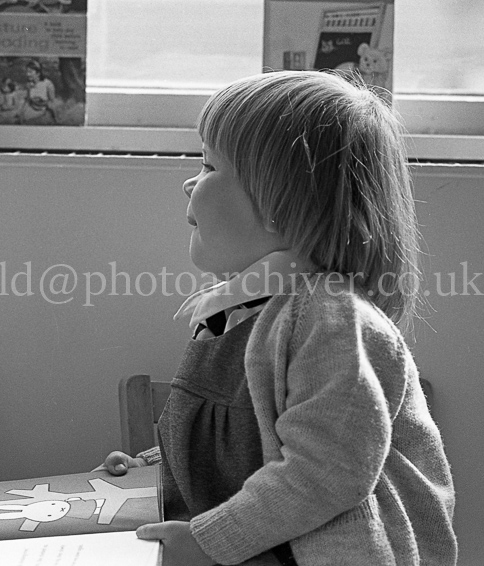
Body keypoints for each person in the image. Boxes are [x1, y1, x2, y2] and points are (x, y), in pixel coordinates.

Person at [99, 71, 457, 565]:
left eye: (208, 165)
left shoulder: (329, 319)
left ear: (283, 202)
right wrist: (153, 472)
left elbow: (325, 470)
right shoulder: (243, 313)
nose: (189, 182)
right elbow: (248, 445)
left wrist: (209, 542)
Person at [19, 60, 56, 125]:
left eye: (30, 72)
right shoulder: (29, 85)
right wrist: (22, 113)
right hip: (31, 110)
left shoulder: (48, 84)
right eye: (27, 72)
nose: (27, 74)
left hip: (44, 111)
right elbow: (27, 100)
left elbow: (52, 101)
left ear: (38, 73)